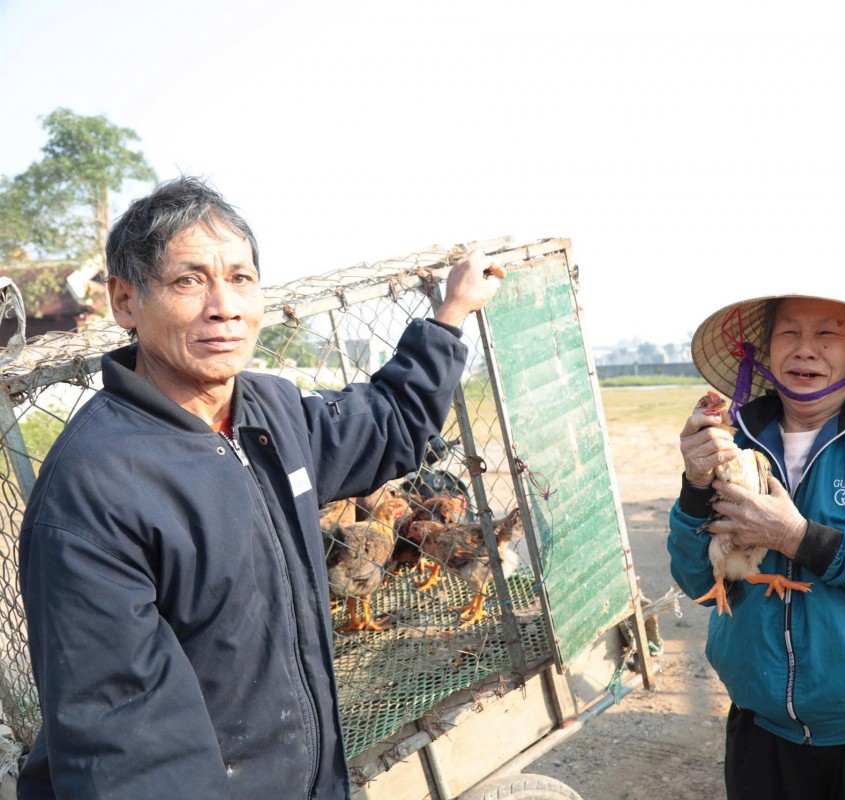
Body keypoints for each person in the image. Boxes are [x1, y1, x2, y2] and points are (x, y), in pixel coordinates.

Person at [17, 176, 502, 799]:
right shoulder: (95, 486)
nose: (224, 306)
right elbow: (125, 745)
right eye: (188, 281)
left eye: (241, 279)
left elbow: (388, 423)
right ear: (125, 302)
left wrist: (450, 314)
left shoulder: (269, 413)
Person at [669, 293, 845, 800]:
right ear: (764, 349)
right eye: (789, 333)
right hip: (761, 729)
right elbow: (698, 581)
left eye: (827, 333)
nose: (805, 350)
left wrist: (797, 536)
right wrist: (696, 488)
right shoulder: (734, 446)